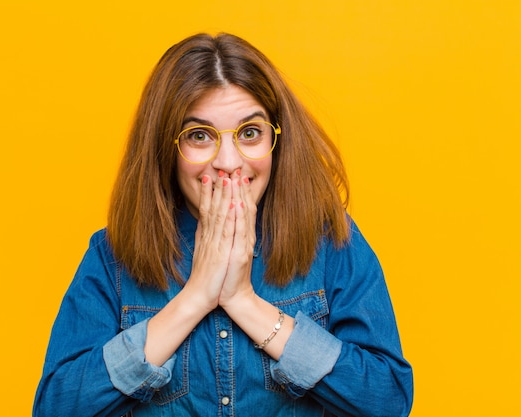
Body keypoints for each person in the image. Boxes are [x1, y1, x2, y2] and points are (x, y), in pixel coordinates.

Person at [33, 32, 414, 417]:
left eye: (250, 133)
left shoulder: (331, 242)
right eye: (200, 136)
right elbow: (56, 408)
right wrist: (195, 297)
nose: (229, 162)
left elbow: (388, 401)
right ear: (167, 148)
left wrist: (243, 301)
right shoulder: (111, 258)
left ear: (275, 140)